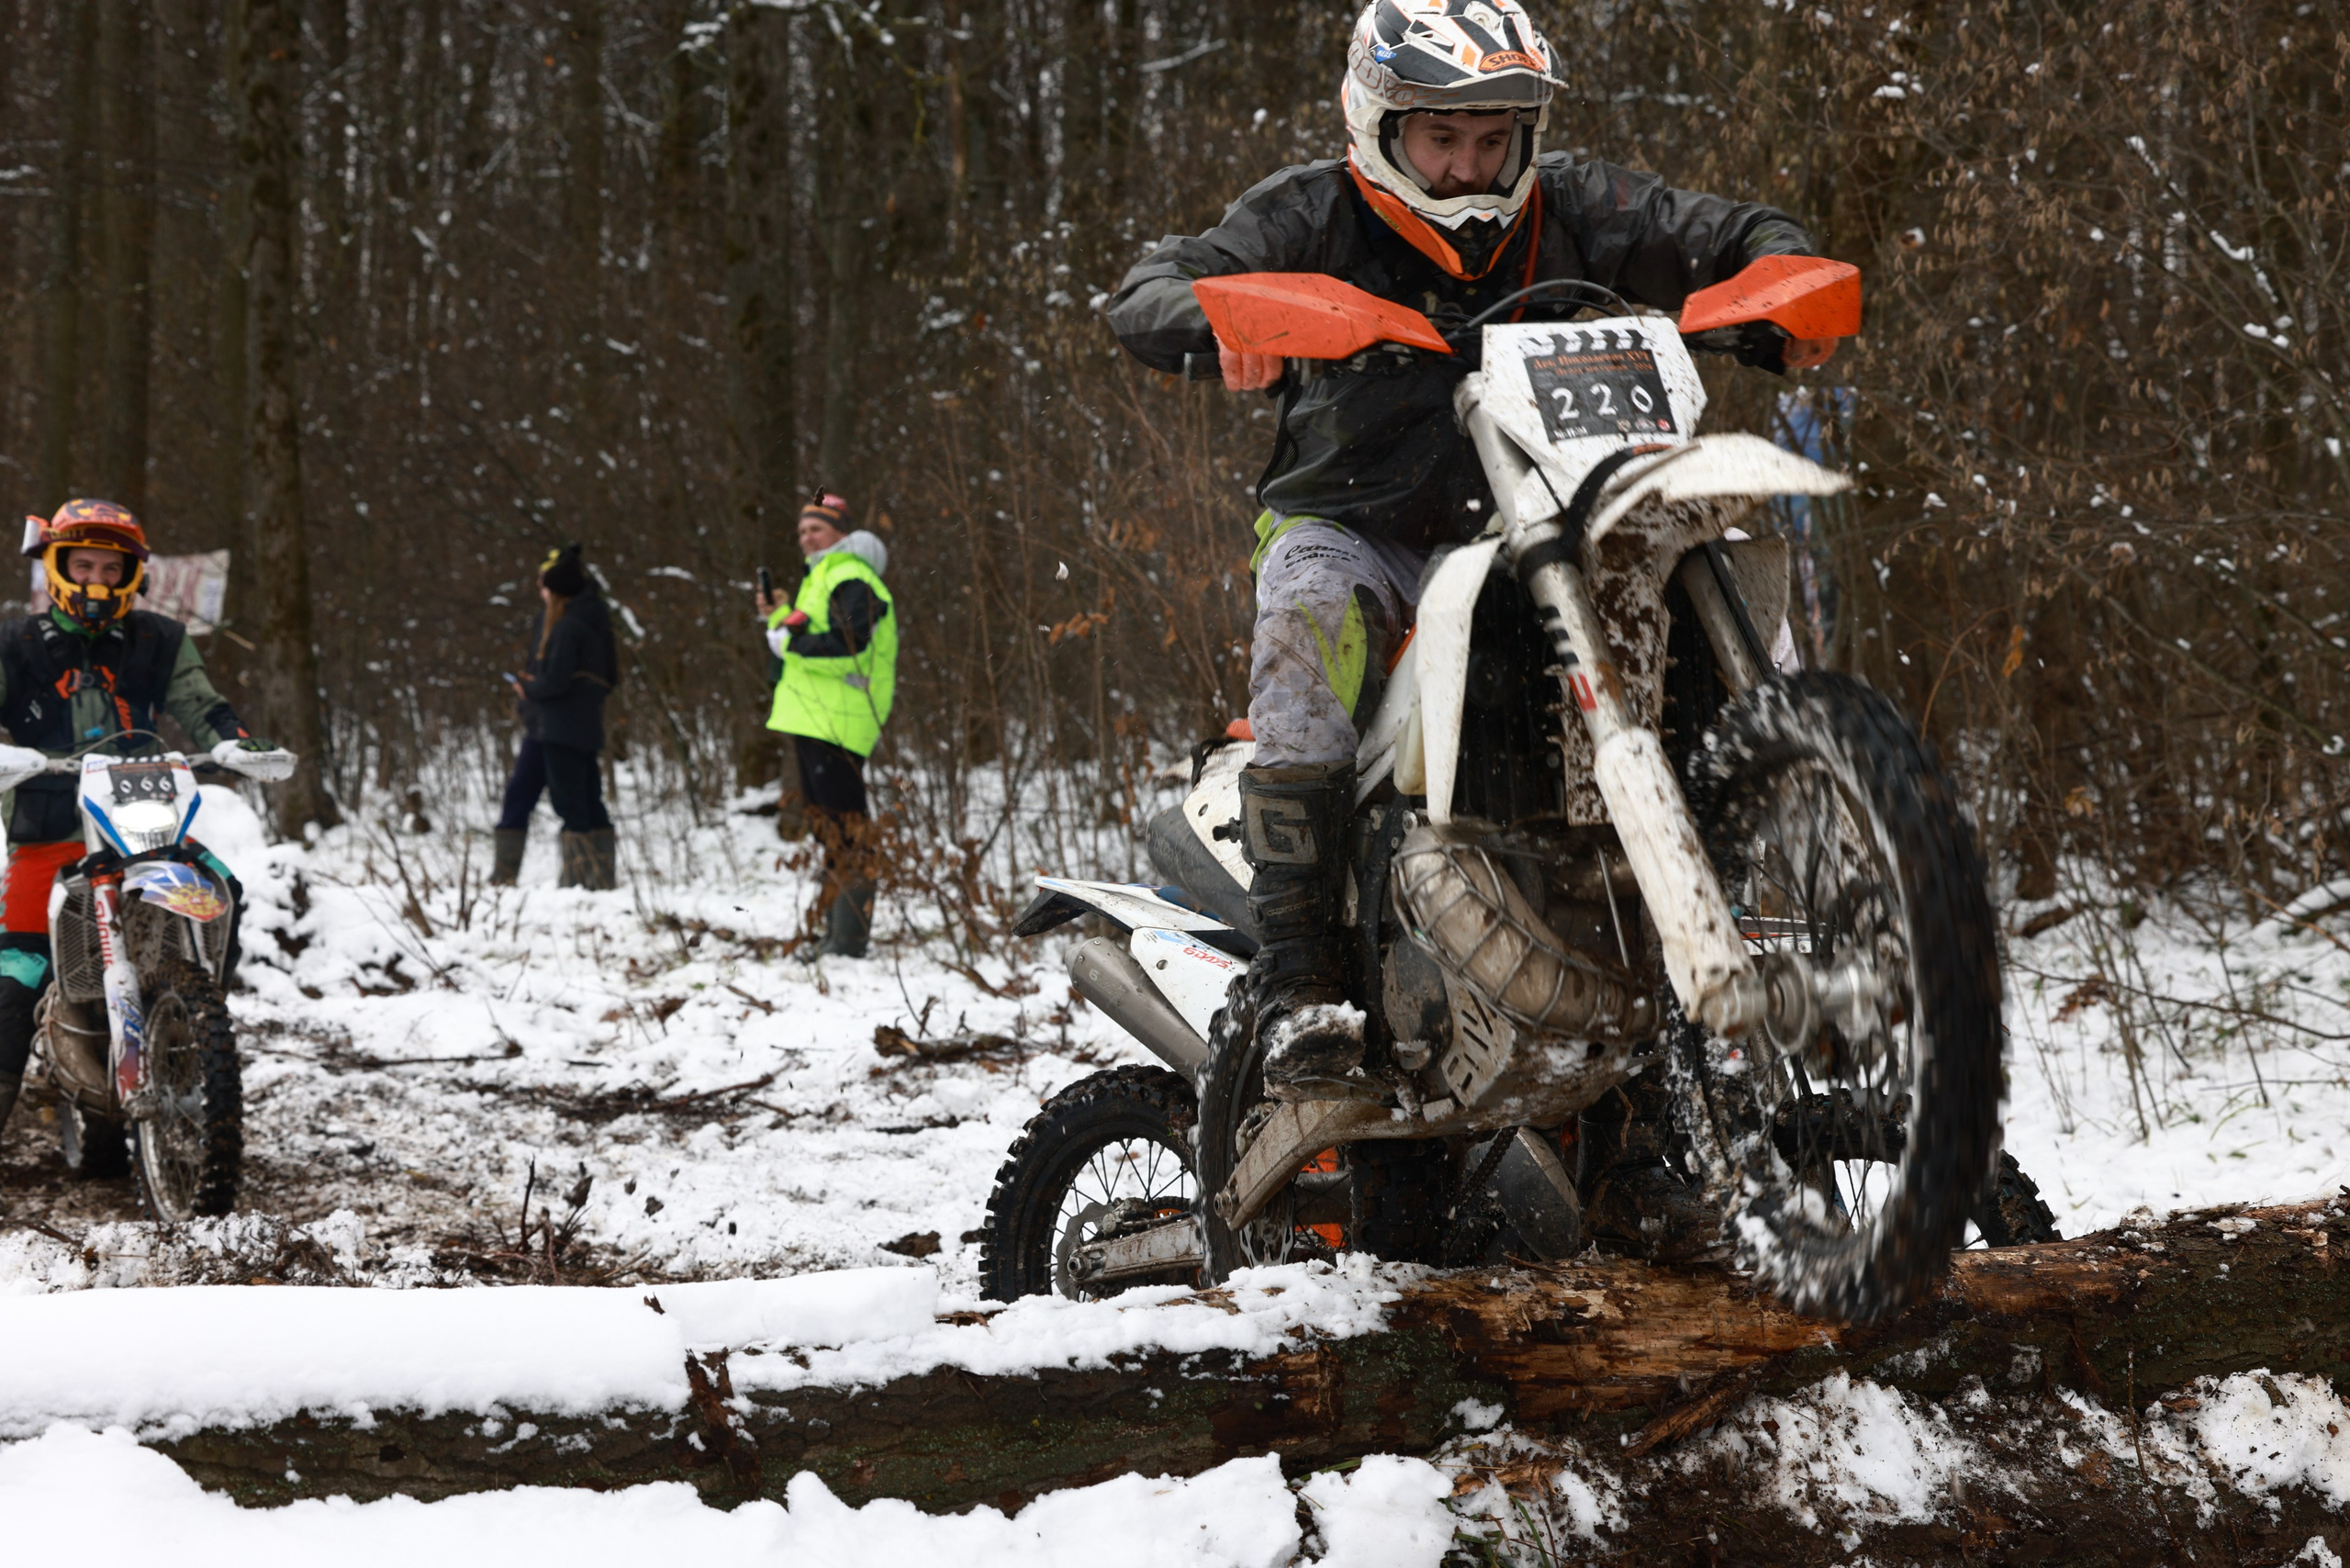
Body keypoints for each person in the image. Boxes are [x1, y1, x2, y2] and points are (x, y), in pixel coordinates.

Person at [1105, 0, 1832, 1097]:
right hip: (1362, 529)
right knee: (1306, 613)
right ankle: (1303, 971)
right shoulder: (1312, 212)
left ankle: (1745, 898)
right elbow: (1150, 288)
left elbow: (1735, 232)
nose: (1466, 167)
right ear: (1379, 122)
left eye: (1493, 140)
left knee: (1710, 560)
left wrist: (1779, 286)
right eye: (1441, 139)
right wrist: (1223, 319)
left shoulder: (1578, 203)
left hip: (1547, 520)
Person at [0, 499, 282, 1136]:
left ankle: (191, 1037)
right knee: (16, 967)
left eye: (110, 567)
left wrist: (233, 740)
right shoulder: (14, 644)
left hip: (145, 823)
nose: (97, 579)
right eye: (84, 565)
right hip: (50, 824)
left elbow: (199, 702)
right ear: (57, 568)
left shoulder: (160, 638)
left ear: (132, 574)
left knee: (221, 893)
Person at [755, 493, 896, 958]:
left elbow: (846, 645)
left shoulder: (852, 577)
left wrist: (787, 645)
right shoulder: (821, 579)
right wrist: (778, 619)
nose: (806, 537)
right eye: (801, 532)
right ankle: (838, 935)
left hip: (840, 719)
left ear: (843, 532)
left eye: (816, 528)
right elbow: (805, 636)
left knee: (846, 828)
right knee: (828, 829)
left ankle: (850, 941)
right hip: (815, 717)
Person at [492, 543, 621, 890]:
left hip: (562, 728)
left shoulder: (570, 626)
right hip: (548, 726)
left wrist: (528, 689)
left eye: (544, 583)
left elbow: (557, 682)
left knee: (575, 803)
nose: (540, 589)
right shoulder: (574, 619)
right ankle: (504, 879)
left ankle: (584, 883)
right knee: (525, 795)